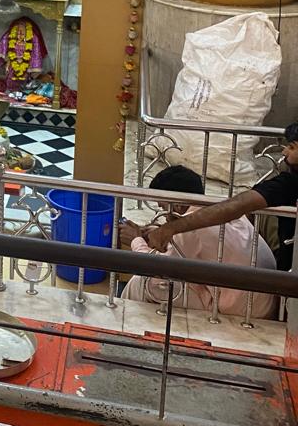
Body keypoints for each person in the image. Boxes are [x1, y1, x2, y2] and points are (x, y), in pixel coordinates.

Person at [120, 166, 277, 317]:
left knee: (142, 282)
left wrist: (136, 240)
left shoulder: (188, 228)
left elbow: (155, 269)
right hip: (265, 303)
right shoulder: (223, 211)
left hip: (243, 311)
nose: (163, 215)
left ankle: (123, 322)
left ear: (178, 204)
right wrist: (158, 232)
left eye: (163, 208)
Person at [143, 124, 298, 273]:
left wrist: (167, 230)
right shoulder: (242, 219)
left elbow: (237, 206)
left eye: (291, 147)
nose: (284, 152)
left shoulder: (289, 184)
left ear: (177, 205)